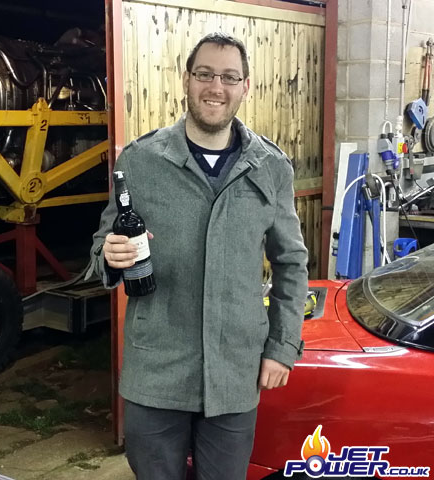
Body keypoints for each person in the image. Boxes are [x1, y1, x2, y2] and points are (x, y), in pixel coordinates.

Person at [89, 32, 308, 480]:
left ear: (245, 87)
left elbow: (292, 263)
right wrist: (110, 256)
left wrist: (282, 348)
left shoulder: (270, 168)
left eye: (229, 77)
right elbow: (100, 248)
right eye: (205, 74)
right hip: (156, 372)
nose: (216, 87)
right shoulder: (142, 161)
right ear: (187, 80)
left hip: (235, 371)